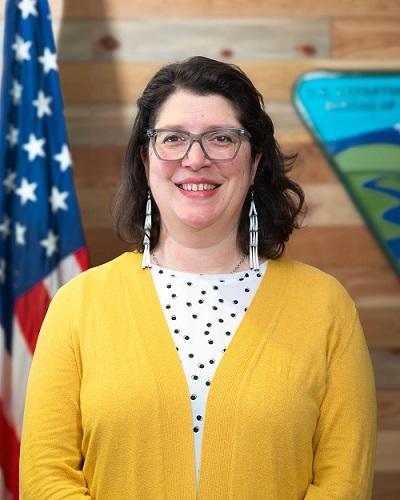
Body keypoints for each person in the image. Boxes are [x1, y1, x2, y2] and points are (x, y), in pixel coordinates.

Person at [20, 56, 377, 499]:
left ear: (254, 161)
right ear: (145, 160)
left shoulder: (325, 306)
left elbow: (343, 479)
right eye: (173, 139)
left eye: (221, 139)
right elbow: (46, 477)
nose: (196, 159)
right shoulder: (78, 305)